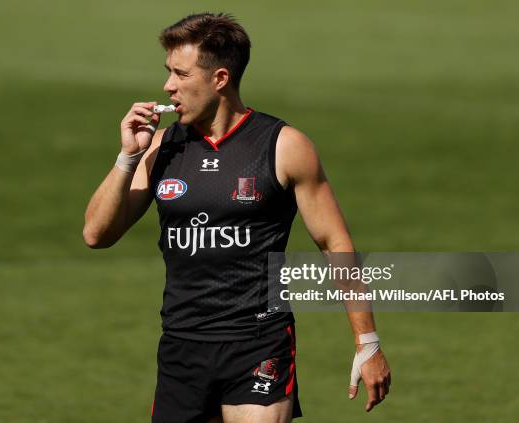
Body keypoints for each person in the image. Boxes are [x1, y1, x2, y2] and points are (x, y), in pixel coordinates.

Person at [83, 12, 391, 423]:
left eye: (180, 73)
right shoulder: (161, 148)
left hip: (258, 344)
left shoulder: (283, 146)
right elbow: (95, 234)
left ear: (220, 79)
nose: (168, 86)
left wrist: (366, 342)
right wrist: (128, 156)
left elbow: (335, 244)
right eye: (167, 72)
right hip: (182, 346)